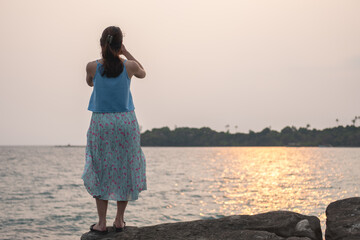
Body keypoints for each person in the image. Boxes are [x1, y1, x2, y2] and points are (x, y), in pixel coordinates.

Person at [81, 26, 147, 233]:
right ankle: (119, 220)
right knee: (125, 166)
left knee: (100, 168)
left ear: (102, 44)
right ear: (120, 45)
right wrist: (126, 53)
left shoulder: (92, 66)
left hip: (102, 123)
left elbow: (90, 83)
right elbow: (143, 73)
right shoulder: (130, 66)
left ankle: (101, 223)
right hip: (125, 121)